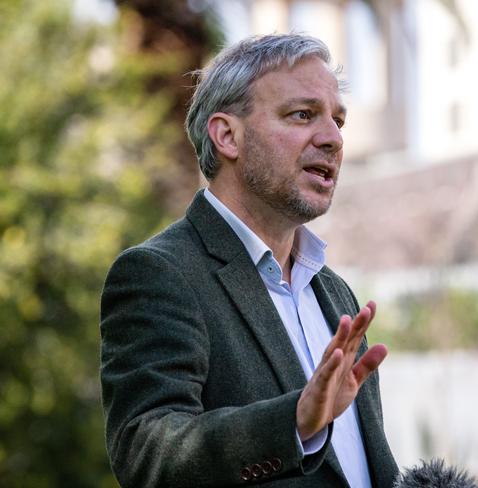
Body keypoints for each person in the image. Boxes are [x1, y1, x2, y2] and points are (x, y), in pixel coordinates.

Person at [100, 34, 398, 487]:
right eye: (302, 114)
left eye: (338, 120)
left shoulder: (334, 292)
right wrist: (293, 423)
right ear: (227, 136)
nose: (334, 139)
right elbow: (145, 451)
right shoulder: (160, 273)